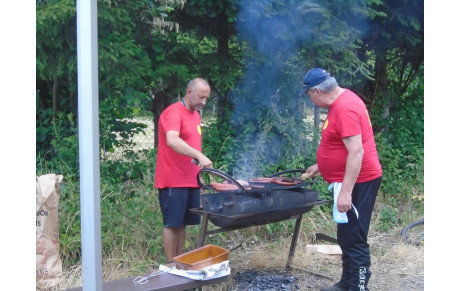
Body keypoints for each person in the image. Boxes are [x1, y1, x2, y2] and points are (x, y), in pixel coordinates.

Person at [299, 68, 382, 291]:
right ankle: (347, 283)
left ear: (317, 90)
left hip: (359, 181)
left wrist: (346, 192)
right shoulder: (341, 101)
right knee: (346, 235)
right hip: (350, 180)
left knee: (354, 237)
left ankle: (358, 286)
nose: (310, 99)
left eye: (309, 94)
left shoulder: (344, 108)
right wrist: (321, 165)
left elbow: (357, 152)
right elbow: (341, 146)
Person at [154, 78, 213, 263]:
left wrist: (200, 178)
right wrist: (200, 155)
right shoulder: (172, 112)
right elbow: (172, 140)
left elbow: (191, 146)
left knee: (183, 224)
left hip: (191, 179)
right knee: (172, 224)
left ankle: (180, 263)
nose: (203, 102)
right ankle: (172, 265)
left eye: (206, 99)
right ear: (189, 92)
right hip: (172, 179)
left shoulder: (195, 115)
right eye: (201, 97)